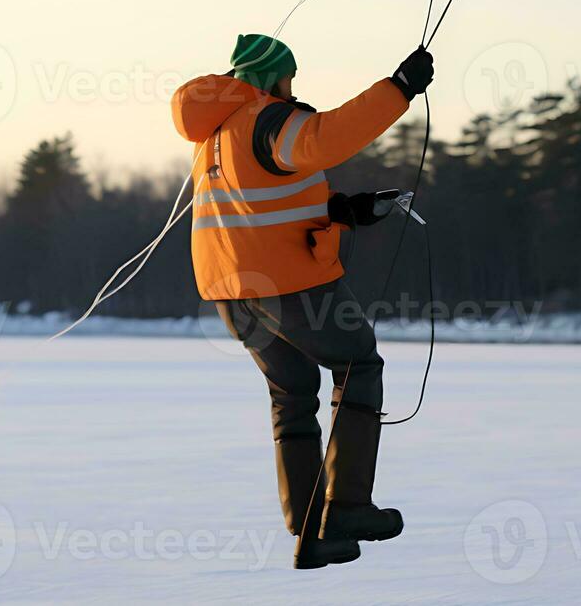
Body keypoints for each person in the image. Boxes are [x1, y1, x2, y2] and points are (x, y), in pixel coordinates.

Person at [170, 34, 435, 569]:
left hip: (230, 294)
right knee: (359, 362)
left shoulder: (217, 135)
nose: (294, 87)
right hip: (286, 284)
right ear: (273, 78)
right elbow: (324, 139)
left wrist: (345, 209)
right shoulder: (267, 117)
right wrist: (399, 89)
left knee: (292, 394)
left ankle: (311, 531)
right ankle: (349, 507)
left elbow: (260, 205)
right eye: (289, 77)